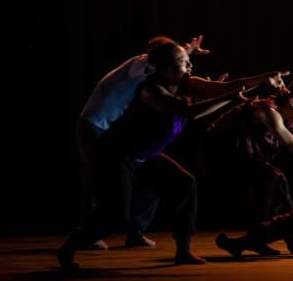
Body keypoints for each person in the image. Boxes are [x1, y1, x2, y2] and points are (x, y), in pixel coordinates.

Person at [57, 41, 285, 269]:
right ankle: (70, 246)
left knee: (185, 184)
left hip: (145, 156)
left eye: (188, 61)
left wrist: (265, 79)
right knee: (116, 215)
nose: (190, 66)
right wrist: (232, 97)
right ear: (165, 68)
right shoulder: (150, 90)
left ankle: (183, 251)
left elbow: (234, 87)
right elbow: (189, 111)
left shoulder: (189, 85)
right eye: (183, 62)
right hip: (117, 154)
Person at [75, 35, 210, 249]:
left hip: (116, 130)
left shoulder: (158, 72)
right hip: (94, 125)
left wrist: (188, 52)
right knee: (98, 176)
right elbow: (161, 63)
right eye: (175, 56)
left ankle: (136, 231)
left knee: (153, 177)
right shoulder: (138, 64)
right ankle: (89, 231)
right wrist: (186, 51)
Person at [198, 78, 293, 254]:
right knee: (271, 178)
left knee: (276, 183)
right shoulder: (267, 112)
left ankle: (286, 240)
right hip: (217, 157)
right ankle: (265, 239)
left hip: (242, 159)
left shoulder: (292, 119)